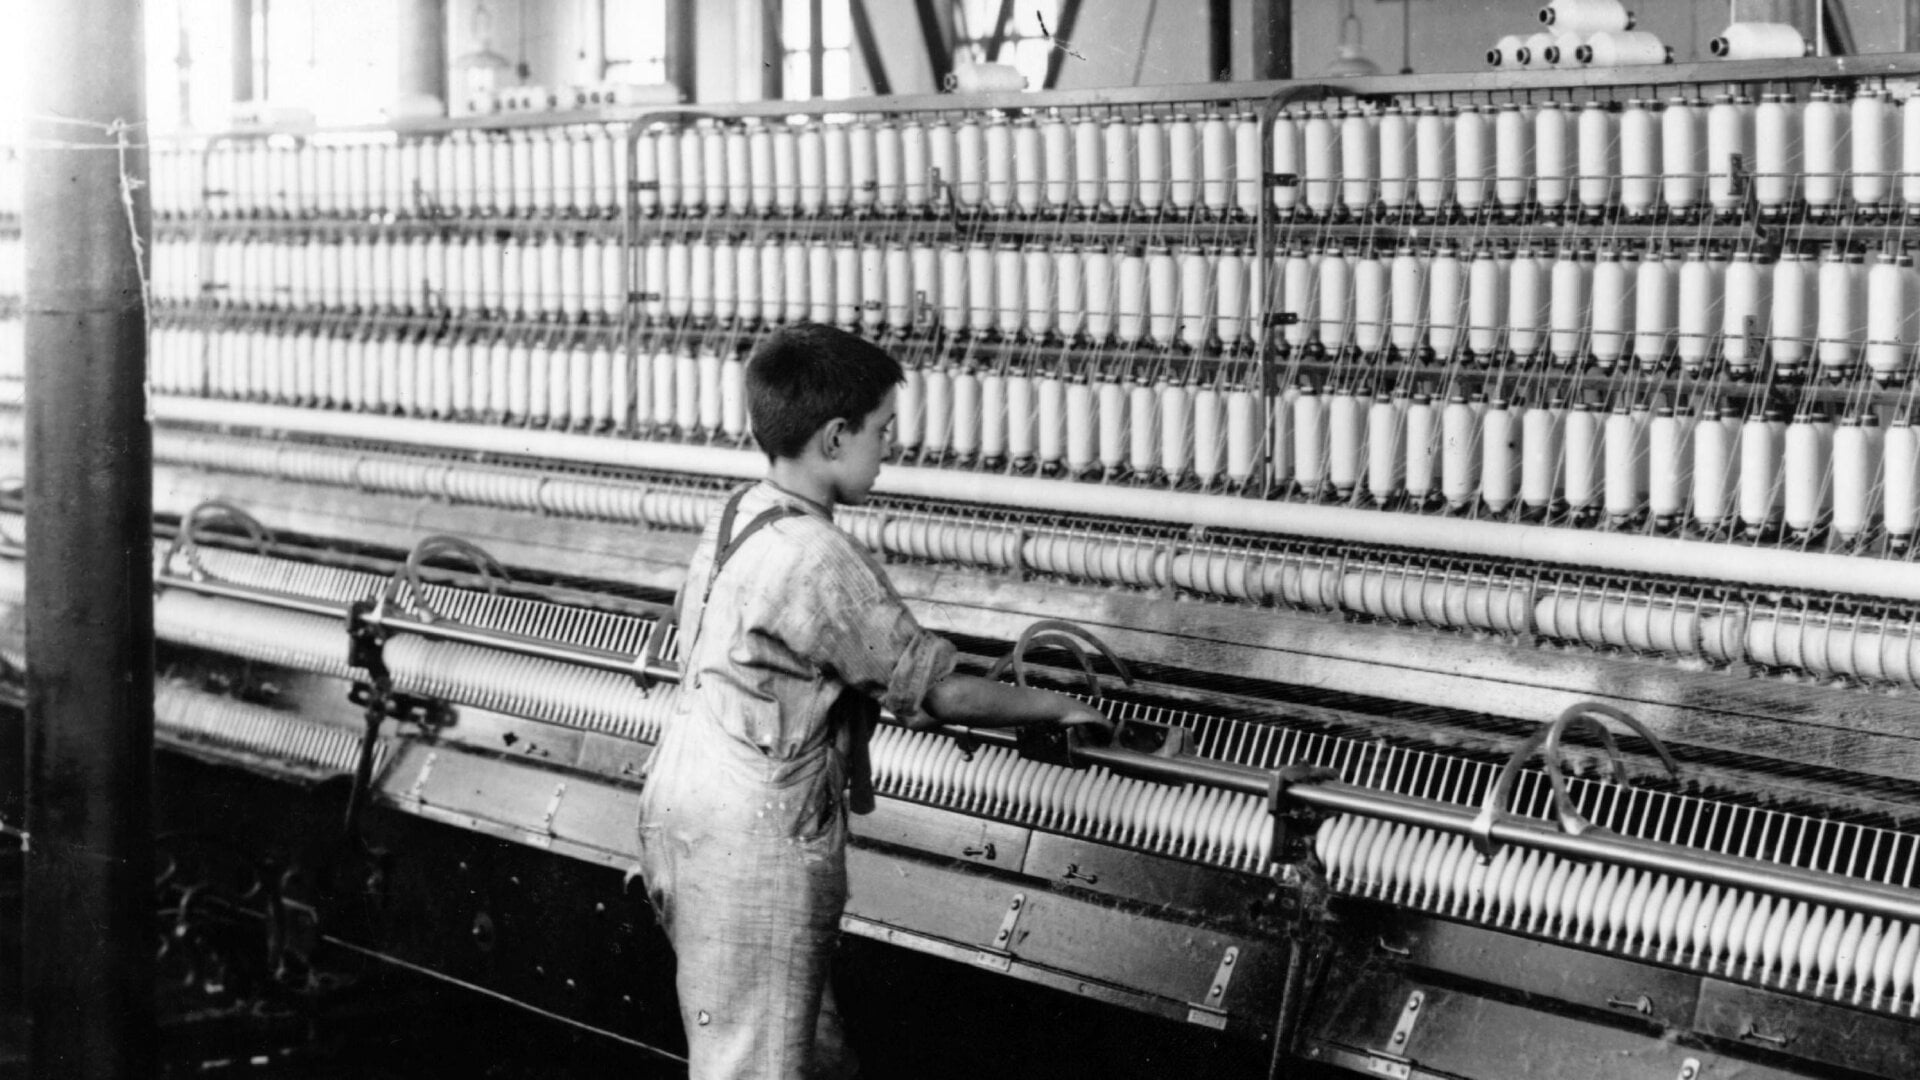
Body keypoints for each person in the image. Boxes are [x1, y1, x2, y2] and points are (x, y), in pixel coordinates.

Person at [636, 323, 1111, 1079]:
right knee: (755, 1063)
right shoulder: (821, 556)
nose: (890, 450)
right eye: (882, 432)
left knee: (802, 1047)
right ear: (834, 438)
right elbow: (937, 687)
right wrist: (1056, 708)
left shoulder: (739, 513)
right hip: (754, 837)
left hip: (685, 807)